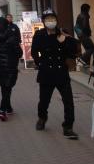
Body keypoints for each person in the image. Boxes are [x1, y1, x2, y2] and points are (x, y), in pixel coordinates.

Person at [31, 9, 79, 139]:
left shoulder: (62, 33)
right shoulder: (39, 34)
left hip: (61, 72)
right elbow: (34, 52)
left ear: (56, 20)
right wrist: (40, 63)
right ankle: (42, 118)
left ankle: (68, 127)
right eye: (47, 19)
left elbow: (72, 53)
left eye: (53, 19)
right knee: (44, 101)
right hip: (46, 73)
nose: (50, 21)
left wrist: (65, 42)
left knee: (68, 102)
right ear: (43, 21)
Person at [0, 17, 22, 121]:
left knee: (5, 87)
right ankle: (2, 110)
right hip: (11, 66)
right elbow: (19, 53)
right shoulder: (12, 37)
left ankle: (8, 107)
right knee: (7, 87)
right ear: (7, 25)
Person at [75, 3, 94, 71]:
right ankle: (81, 59)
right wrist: (89, 32)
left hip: (80, 35)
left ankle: (86, 64)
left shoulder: (79, 15)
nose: (89, 10)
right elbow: (85, 26)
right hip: (84, 35)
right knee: (92, 48)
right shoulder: (84, 15)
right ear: (86, 9)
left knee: (88, 49)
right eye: (89, 9)